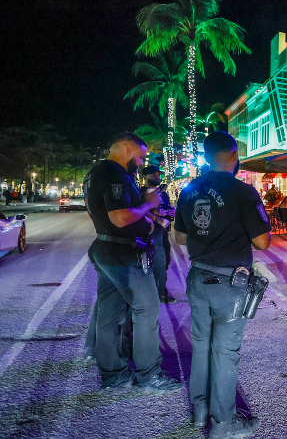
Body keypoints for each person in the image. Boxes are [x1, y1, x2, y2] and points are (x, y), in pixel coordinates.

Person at [173, 132, 271, 438]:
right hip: (229, 283)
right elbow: (263, 241)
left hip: (198, 277)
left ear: (207, 155)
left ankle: (200, 410)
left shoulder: (190, 190)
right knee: (225, 351)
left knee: (201, 346)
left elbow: (179, 236)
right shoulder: (243, 191)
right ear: (233, 154)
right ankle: (223, 425)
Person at [83, 132, 182, 395]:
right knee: (147, 309)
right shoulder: (114, 174)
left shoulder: (95, 173)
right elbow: (119, 217)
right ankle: (149, 374)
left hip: (106, 249)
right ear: (127, 150)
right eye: (140, 156)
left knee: (109, 315)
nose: (140, 162)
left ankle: (113, 374)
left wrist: (148, 219)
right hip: (123, 254)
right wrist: (148, 205)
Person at [141, 165, 176, 303]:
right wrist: (156, 218)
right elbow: (139, 210)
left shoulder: (164, 193)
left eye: (158, 174)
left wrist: (170, 213)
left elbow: (166, 210)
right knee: (157, 263)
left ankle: (159, 291)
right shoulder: (141, 193)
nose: (157, 176)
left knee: (165, 261)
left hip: (163, 232)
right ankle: (159, 293)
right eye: (153, 174)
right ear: (145, 176)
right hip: (149, 232)